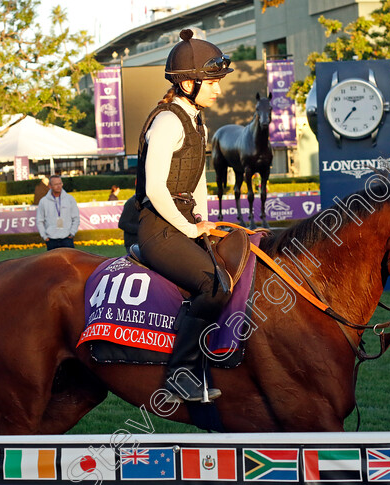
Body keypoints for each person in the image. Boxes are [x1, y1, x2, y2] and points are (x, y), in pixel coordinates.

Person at [135, 29, 233, 403]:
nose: (218, 90)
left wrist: (203, 223)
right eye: (213, 83)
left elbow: (197, 181)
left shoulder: (196, 120)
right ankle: (180, 373)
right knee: (213, 285)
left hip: (182, 224)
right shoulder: (167, 122)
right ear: (189, 83)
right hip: (158, 230)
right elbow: (155, 190)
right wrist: (191, 227)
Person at [36, 174, 80, 250]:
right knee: (52, 262)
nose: (59, 186)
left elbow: (76, 218)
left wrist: (72, 233)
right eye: (56, 184)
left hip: (67, 239)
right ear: (50, 186)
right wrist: (44, 236)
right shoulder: (43, 201)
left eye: (60, 183)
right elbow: (39, 220)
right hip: (51, 240)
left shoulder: (70, 199)